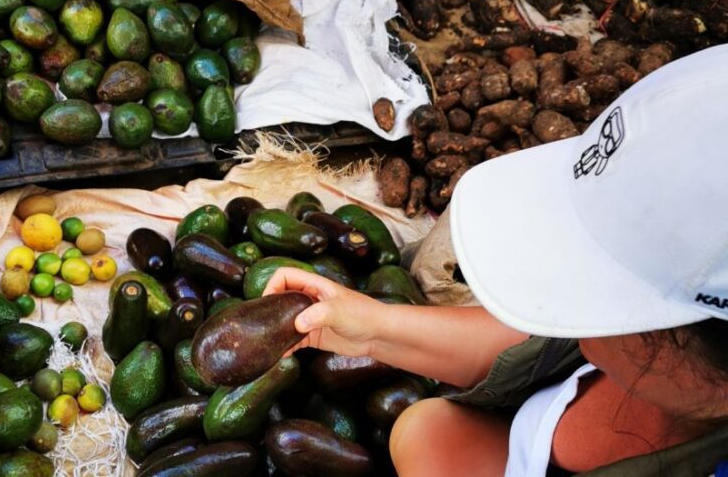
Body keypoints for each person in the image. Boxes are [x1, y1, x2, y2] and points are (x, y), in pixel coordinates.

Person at [264, 43, 728, 476]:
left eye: (597, 279)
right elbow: (536, 345)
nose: (565, 290)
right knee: (424, 431)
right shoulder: (655, 363)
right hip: (500, 444)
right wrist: (374, 328)